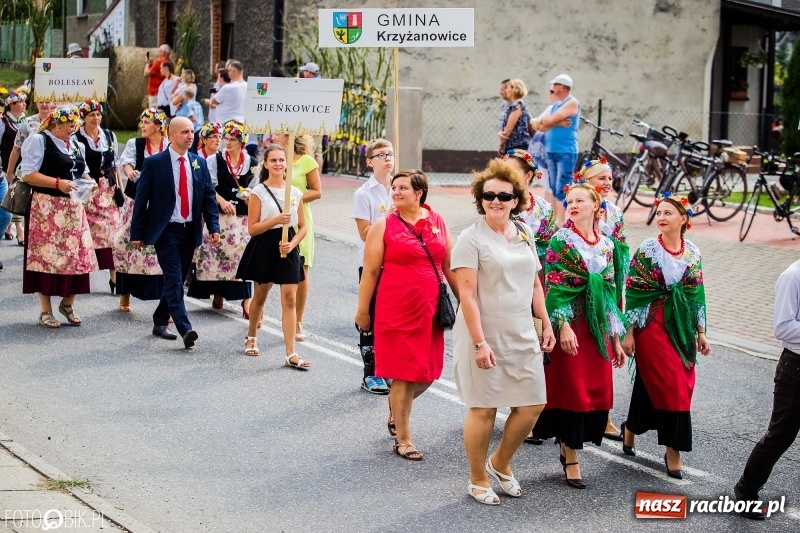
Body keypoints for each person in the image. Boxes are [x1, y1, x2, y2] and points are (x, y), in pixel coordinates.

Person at [452, 158, 555, 505]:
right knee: (484, 407)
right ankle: (478, 477)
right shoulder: (470, 239)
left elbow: (536, 285)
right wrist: (480, 343)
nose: (496, 201)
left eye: (504, 196)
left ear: (517, 200)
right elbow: (466, 294)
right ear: (480, 198)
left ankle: (501, 462)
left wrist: (545, 324)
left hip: (522, 331)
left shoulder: (524, 232)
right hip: (484, 333)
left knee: (533, 403)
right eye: (489, 194)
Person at [355, 170, 457, 461]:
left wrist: (464, 301)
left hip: (430, 308)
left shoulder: (437, 221)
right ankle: (404, 438)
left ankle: (395, 408)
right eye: (394, 188)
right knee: (403, 375)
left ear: (419, 193)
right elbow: (371, 272)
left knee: (428, 372)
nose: (396, 192)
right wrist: (363, 311)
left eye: (403, 188)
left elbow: (449, 264)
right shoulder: (383, 225)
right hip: (396, 308)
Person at [531, 182, 626, 489]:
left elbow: (610, 294)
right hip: (569, 322)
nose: (572, 205)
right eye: (569, 201)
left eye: (579, 200)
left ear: (596, 207)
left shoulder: (607, 245)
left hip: (596, 326)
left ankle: (570, 444)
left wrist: (615, 339)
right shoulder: (561, 240)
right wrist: (562, 326)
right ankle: (570, 455)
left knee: (593, 389)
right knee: (570, 389)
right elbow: (555, 287)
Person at [620, 193, 709, 481]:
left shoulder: (693, 252)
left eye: (668, 213)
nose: (661, 217)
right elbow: (633, 292)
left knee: (659, 382)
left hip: (681, 325)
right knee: (674, 385)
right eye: (659, 212)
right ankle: (674, 450)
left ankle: (630, 429)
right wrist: (629, 334)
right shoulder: (647, 250)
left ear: (684, 219)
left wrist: (701, 332)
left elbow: (696, 295)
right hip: (653, 324)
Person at [130, 117, 220, 349]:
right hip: (166, 230)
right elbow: (141, 201)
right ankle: (185, 328)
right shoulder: (154, 163)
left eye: (192, 132)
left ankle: (160, 320)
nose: (190, 136)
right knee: (174, 278)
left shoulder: (198, 163)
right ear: (171, 135)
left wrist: (213, 227)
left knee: (176, 278)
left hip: (189, 230)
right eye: (184, 132)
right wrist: (137, 233)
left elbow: (209, 197)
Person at [20, 106, 98, 327]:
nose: (74, 128)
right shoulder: (39, 141)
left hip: (73, 207)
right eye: (70, 125)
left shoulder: (73, 142)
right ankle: (45, 310)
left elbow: (81, 170)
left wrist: (89, 181)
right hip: (46, 209)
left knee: (77, 257)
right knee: (46, 257)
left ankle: (67, 303)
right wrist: (56, 183)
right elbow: (27, 174)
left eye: (75, 124)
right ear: (56, 124)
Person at [734, 259, 800, 521]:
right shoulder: (792, 276)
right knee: (781, 435)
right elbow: (782, 327)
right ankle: (746, 491)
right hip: (796, 368)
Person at [235, 143, 309, 368]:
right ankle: (251, 336)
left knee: (290, 298)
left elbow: (302, 226)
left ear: (287, 163)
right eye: (273, 160)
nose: (278, 164)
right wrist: (276, 220)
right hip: (265, 246)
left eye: (281, 160)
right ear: (265, 164)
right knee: (260, 296)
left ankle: (290, 353)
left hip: (288, 246)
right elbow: (253, 228)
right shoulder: (258, 191)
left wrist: (292, 243)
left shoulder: (295, 192)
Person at [576, 157, 630, 440]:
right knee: (585, 347)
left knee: (608, 344)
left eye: (609, 178)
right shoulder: (578, 209)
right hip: (584, 289)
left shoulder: (616, 212)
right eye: (601, 179)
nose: (607, 183)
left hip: (609, 284)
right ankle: (580, 407)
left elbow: (621, 247)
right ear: (587, 183)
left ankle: (603, 412)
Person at [188, 120, 253, 314]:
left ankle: (246, 299)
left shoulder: (252, 163)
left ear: (242, 141)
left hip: (242, 217)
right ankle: (218, 294)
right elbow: (208, 186)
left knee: (241, 256)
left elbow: (256, 188)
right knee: (216, 255)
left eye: (233, 139)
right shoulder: (214, 160)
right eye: (226, 138)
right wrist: (222, 201)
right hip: (219, 215)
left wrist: (250, 196)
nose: (228, 142)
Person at [114, 108, 169, 313]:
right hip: (136, 200)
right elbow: (125, 164)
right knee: (129, 246)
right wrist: (131, 171)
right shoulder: (134, 144)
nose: (143, 126)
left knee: (159, 250)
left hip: (160, 204)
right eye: (143, 121)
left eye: (147, 122)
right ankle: (125, 293)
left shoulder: (169, 146)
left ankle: (166, 302)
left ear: (158, 125)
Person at [351, 139, 394, 395]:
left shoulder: (402, 187)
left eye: (390, 154)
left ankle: (387, 367)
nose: (387, 158)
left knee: (390, 318)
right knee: (369, 316)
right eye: (381, 155)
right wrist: (389, 219)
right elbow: (365, 233)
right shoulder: (364, 193)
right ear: (370, 162)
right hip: (372, 263)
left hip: (397, 263)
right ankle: (371, 373)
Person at [274, 134, 321, 342]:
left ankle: (298, 320)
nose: (273, 135)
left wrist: (294, 197)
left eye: (278, 132)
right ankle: (258, 310)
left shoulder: (306, 161)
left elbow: (317, 192)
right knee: (271, 268)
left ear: (288, 135)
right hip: (275, 217)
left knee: (301, 271)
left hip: (300, 217)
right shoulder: (275, 158)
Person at [73, 100, 122, 294]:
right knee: (86, 234)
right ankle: (82, 274)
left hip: (108, 192)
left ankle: (115, 277)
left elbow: (116, 164)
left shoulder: (109, 135)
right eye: (91, 115)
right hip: (88, 192)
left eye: (98, 114)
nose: (96, 118)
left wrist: (119, 187)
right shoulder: (77, 138)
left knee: (112, 233)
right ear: (83, 118)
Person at [530, 74, 580, 226]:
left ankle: (562, 222)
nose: (551, 89)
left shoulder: (571, 103)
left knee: (562, 187)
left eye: (554, 85)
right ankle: (556, 222)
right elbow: (539, 125)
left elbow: (547, 122)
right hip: (551, 150)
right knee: (553, 187)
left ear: (562, 87)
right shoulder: (556, 106)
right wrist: (557, 123)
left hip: (565, 151)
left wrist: (549, 122)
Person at [5, 99, 55, 247]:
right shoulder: (28, 122)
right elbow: (16, 148)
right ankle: (25, 234)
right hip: (29, 172)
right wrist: (10, 172)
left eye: (47, 101)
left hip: (51, 172)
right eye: (41, 101)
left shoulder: (59, 120)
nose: (44, 104)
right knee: (26, 206)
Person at [504, 149, 556, 267]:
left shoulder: (544, 207)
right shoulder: (500, 204)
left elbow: (550, 245)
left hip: (542, 270)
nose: (506, 177)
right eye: (504, 172)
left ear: (528, 175)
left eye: (512, 172)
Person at [0, 91, 28, 253]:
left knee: (16, 196)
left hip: (24, 165)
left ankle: (13, 227)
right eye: (21, 102)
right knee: (12, 195)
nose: (24, 104)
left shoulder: (27, 121)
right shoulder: (3, 122)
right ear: (12, 104)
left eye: (25, 101)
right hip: (6, 165)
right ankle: (18, 229)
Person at [497, 79, 531, 155]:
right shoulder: (512, 105)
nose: (506, 90)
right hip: (511, 145)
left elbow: (509, 128)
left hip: (518, 146)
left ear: (514, 90)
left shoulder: (517, 105)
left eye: (507, 88)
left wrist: (501, 144)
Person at [209, 60, 246, 125]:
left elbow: (213, 101)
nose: (228, 73)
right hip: (242, 122)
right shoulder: (248, 86)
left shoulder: (228, 88)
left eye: (229, 70)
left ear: (234, 71)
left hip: (227, 123)